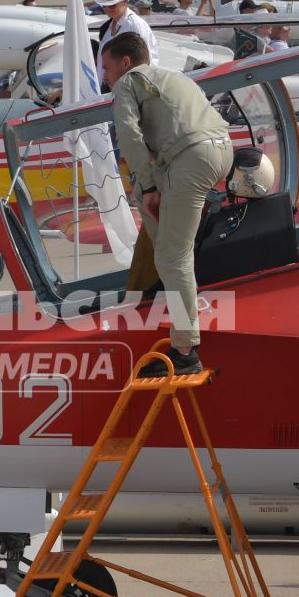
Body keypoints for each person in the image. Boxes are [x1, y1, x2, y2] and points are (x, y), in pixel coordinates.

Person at [103, 30, 232, 376]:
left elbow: (129, 136)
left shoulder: (127, 83)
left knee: (173, 255)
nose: (106, 77)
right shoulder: (172, 76)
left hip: (193, 156)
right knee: (170, 248)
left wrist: (146, 187)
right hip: (220, 149)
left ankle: (185, 350)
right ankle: (177, 308)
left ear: (125, 63)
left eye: (107, 68)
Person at [92, 0, 157, 62]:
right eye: (104, 5)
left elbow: (145, 62)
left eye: (112, 5)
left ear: (125, 2)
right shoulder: (111, 24)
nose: (107, 9)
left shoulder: (135, 25)